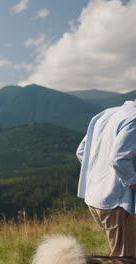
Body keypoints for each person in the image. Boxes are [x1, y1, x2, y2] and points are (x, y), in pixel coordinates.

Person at [76, 99, 136, 256]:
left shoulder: (105, 114)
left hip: (95, 198)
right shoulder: (134, 118)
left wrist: (101, 175)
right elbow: (119, 159)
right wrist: (133, 182)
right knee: (124, 258)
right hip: (119, 202)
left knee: (119, 252)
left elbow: (82, 151)